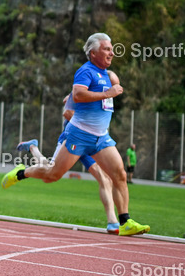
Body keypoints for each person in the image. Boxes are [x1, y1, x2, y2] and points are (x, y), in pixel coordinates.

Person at [2, 32, 149, 236]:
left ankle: (124, 221)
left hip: (101, 138)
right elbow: (78, 96)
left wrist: (112, 87)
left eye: (112, 48)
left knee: (119, 175)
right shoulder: (85, 72)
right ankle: (20, 173)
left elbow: (109, 88)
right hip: (78, 136)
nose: (112, 52)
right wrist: (107, 94)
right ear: (93, 52)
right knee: (52, 175)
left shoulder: (109, 75)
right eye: (106, 49)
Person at [16, 70, 121, 234]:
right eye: (113, 83)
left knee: (104, 177)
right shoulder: (87, 85)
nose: (115, 87)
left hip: (93, 141)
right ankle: (32, 149)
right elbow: (67, 106)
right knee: (49, 174)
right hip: (73, 137)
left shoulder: (106, 95)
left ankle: (112, 221)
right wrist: (85, 128)